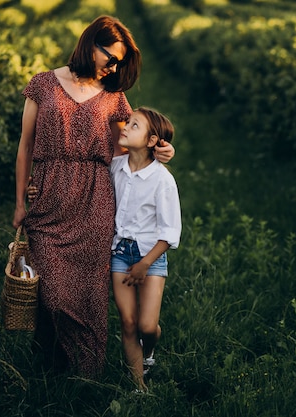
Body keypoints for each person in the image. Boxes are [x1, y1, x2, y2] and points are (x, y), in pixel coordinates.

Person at [12, 15, 174, 377]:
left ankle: (82, 374)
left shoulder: (114, 97)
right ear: (91, 45)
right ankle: (55, 360)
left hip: (95, 202)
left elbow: (138, 142)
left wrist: (164, 151)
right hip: (49, 198)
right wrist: (21, 200)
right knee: (53, 295)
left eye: (119, 62)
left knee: (89, 296)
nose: (113, 66)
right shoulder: (43, 84)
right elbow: (25, 146)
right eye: (110, 58)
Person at [109, 107, 181, 392]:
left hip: (151, 256)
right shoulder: (116, 166)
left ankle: (148, 350)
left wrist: (144, 264)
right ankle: (139, 387)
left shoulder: (162, 180)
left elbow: (168, 233)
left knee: (147, 327)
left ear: (152, 141)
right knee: (128, 323)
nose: (125, 127)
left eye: (134, 125)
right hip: (119, 254)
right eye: (128, 122)